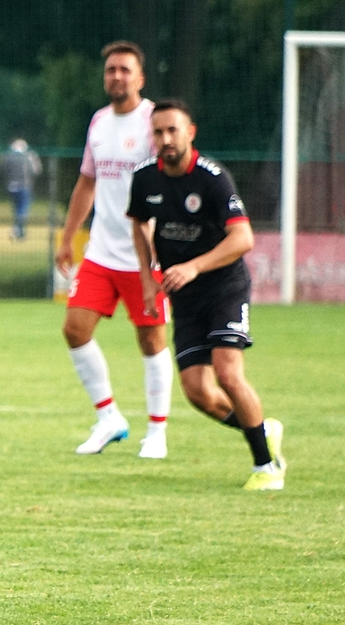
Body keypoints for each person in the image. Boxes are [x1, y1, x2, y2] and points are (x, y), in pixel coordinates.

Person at [128, 99, 286, 490]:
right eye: (158, 132)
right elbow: (139, 224)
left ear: (190, 133)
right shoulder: (145, 178)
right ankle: (262, 430)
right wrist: (147, 278)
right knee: (198, 392)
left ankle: (267, 467)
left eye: (173, 130)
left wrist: (194, 266)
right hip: (184, 296)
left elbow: (243, 238)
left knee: (228, 373)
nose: (166, 139)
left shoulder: (213, 178)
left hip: (224, 288)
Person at [55, 41, 173, 459]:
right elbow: (87, 181)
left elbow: (170, 181)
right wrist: (67, 238)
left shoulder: (155, 123)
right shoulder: (99, 122)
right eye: (111, 70)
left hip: (147, 255)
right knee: (75, 329)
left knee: (151, 339)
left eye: (125, 69)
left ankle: (156, 432)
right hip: (102, 253)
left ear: (140, 78)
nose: (117, 76)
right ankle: (109, 418)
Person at [2, 138, 42, 240]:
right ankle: (18, 230)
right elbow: (36, 170)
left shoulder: (8, 156)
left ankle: (19, 231)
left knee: (16, 209)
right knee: (23, 209)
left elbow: (4, 169)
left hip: (12, 186)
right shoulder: (29, 155)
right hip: (24, 186)